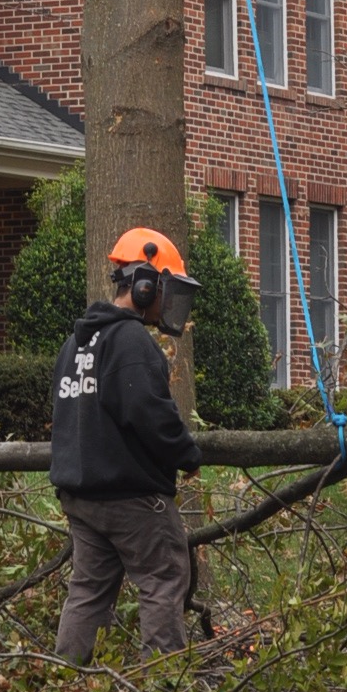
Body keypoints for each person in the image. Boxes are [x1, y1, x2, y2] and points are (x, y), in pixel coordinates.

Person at [50, 226, 204, 667]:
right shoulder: (131, 341)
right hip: (129, 494)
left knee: (88, 591)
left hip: (83, 494)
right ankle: (163, 684)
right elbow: (149, 412)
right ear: (143, 286)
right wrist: (186, 455)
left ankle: (66, 685)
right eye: (166, 289)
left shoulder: (76, 342)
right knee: (164, 576)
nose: (169, 302)